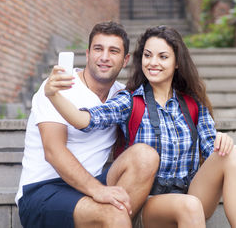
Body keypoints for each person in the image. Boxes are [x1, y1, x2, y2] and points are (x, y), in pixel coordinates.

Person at [45, 25, 236, 228]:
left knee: (232, 153)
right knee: (189, 206)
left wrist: (221, 141)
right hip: (147, 202)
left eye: (163, 57)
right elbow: (85, 119)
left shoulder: (192, 105)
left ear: (177, 62)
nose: (153, 63)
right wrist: (53, 95)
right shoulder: (129, 100)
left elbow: (211, 152)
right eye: (148, 55)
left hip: (191, 194)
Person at [16, 21, 159, 228]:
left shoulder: (121, 97)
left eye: (113, 51)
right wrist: (97, 190)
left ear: (125, 59)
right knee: (114, 215)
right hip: (43, 191)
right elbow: (53, 151)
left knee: (146, 156)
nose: (104, 57)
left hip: (91, 187)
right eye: (98, 49)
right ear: (88, 53)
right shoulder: (57, 88)